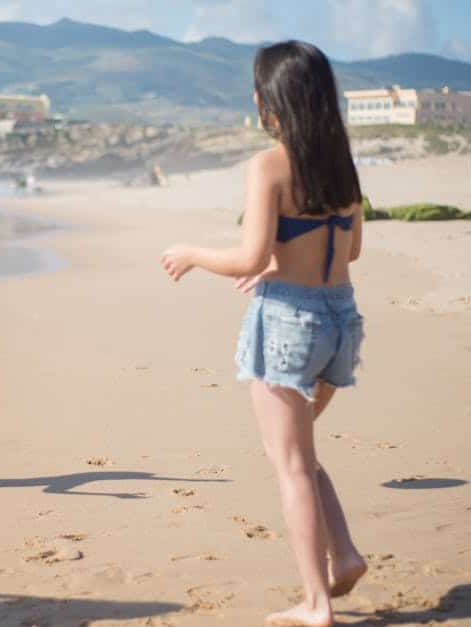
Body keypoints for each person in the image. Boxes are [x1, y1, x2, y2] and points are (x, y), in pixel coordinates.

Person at [160, 41, 367, 626]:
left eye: (258, 88)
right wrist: (281, 267)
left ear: (272, 100)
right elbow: (350, 248)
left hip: (288, 325)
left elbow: (249, 257)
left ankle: (316, 603)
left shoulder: (269, 164)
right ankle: (344, 556)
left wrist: (193, 253)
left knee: (290, 464)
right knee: (299, 452)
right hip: (340, 318)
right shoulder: (343, 163)